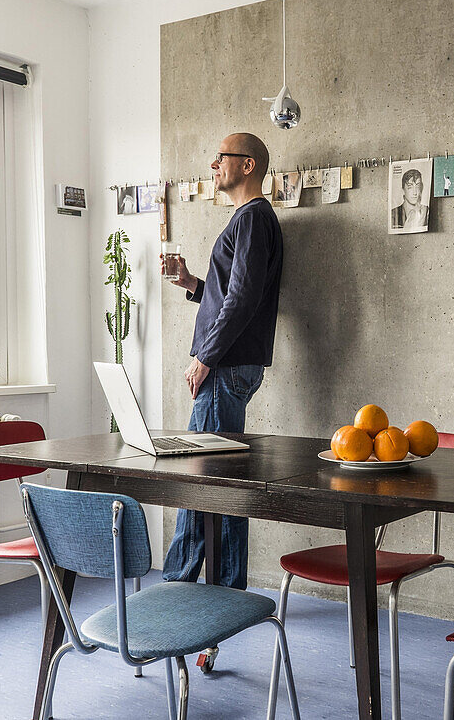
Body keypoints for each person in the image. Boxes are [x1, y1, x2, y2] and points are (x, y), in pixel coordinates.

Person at [160, 132, 283, 588]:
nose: (213, 166)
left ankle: (180, 591)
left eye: (220, 159)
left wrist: (205, 359)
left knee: (204, 484)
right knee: (219, 485)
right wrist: (193, 282)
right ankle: (217, 596)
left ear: (247, 165)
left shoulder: (252, 219)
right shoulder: (248, 220)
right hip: (230, 366)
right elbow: (231, 295)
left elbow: (245, 297)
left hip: (225, 368)